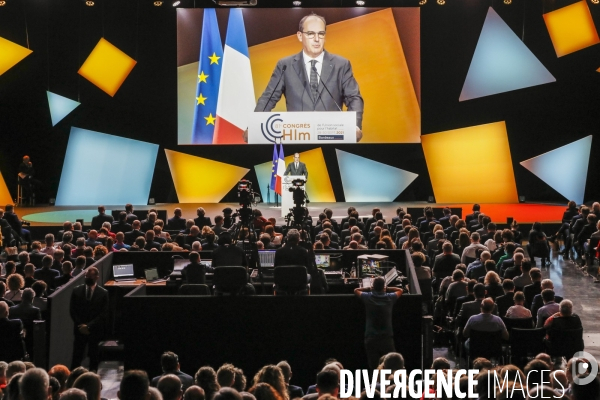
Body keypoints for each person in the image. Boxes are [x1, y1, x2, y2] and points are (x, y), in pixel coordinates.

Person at [253, 13, 364, 142]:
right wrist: (255, 125)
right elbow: (268, 98)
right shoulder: (285, 65)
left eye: (321, 34)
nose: (317, 39)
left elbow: (354, 98)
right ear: (300, 36)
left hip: (331, 137)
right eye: (311, 34)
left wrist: (354, 126)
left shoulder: (341, 64)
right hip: (297, 139)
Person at [354, 276, 403, 369]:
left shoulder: (367, 297)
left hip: (371, 337)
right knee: (392, 364)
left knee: (373, 366)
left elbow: (356, 290)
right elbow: (400, 290)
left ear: (373, 286)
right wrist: (387, 288)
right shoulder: (390, 297)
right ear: (383, 287)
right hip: (387, 337)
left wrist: (369, 288)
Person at [69, 266, 109, 371]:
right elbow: (72, 311)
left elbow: (103, 313)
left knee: (94, 356)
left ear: (97, 277)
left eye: (91, 276)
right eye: (86, 276)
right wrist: (81, 325)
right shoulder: (76, 291)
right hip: (79, 329)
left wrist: (89, 326)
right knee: (77, 356)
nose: (88, 278)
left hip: (95, 330)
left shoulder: (103, 293)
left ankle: (93, 377)